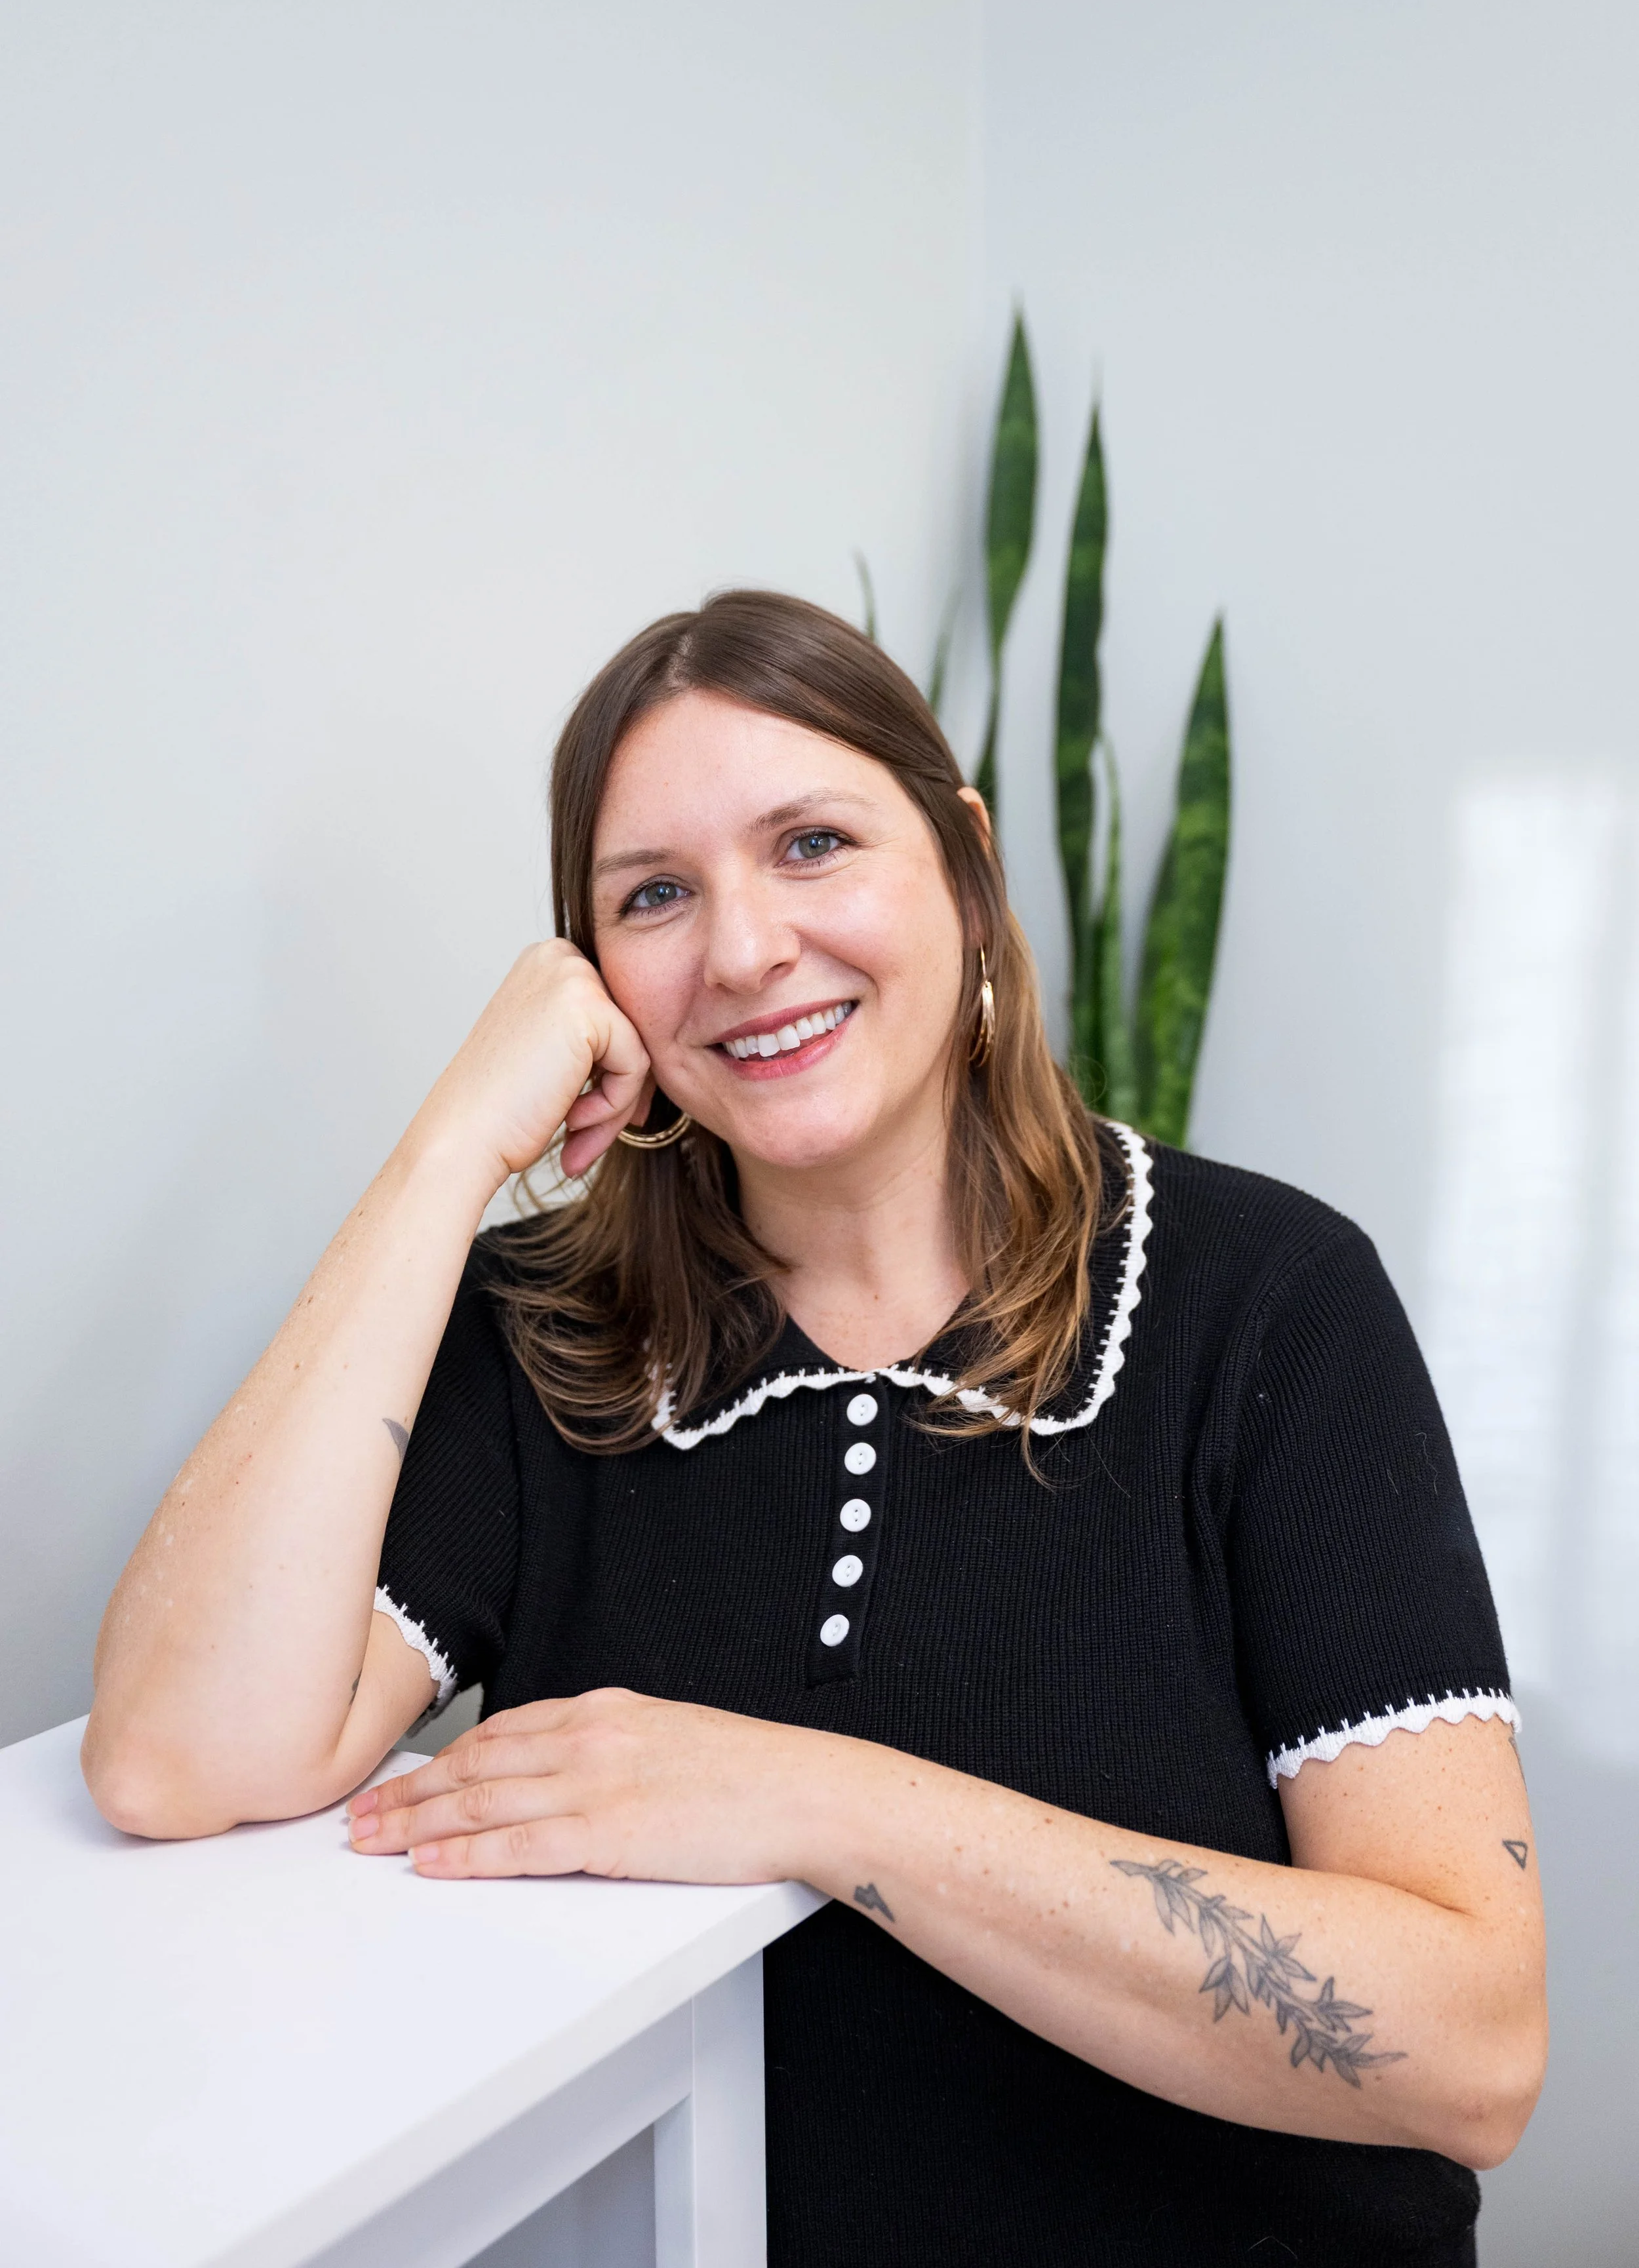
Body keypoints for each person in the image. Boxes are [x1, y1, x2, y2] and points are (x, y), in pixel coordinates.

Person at [83, 591, 1546, 2267]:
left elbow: (1470, 2044)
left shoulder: (1266, 1303)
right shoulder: (549, 1337)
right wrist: (450, 1148)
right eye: (653, 896)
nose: (745, 950)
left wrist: (808, 1800)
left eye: (812, 843)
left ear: (966, 869)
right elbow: (171, 1756)